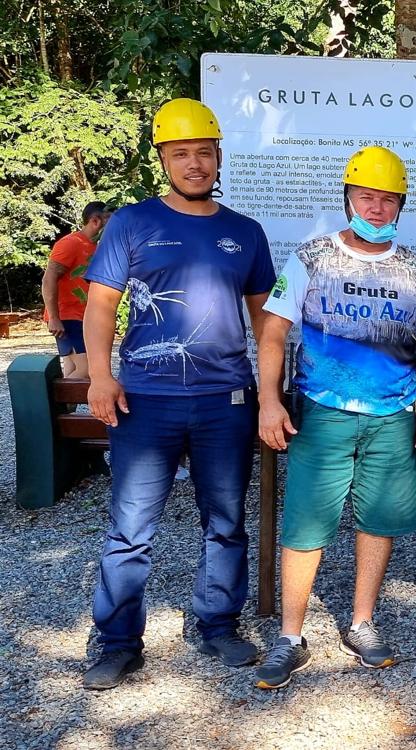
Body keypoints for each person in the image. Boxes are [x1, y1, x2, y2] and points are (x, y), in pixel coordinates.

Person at [82, 98, 276, 690]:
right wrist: (99, 375)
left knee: (225, 521)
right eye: (181, 153)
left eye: (204, 152)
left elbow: (267, 319)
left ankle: (217, 624)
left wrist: (270, 392)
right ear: (163, 159)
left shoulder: (244, 232)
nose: (195, 163)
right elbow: (100, 305)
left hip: (226, 400)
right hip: (145, 400)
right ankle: (117, 642)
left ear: (219, 157)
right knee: (131, 528)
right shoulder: (131, 223)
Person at [254, 146, 416, 689]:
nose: (378, 208)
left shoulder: (413, 269)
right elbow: (272, 331)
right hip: (323, 413)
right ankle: (291, 637)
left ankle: (362, 622)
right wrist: (269, 400)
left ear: (400, 206)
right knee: (305, 523)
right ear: (347, 198)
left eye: (389, 200)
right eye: (368, 197)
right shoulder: (312, 258)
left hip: (391, 416)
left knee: (379, 520)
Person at [41, 201, 112, 378]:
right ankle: (49, 406)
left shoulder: (97, 247)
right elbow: (48, 279)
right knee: (86, 369)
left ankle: (63, 407)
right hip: (66, 316)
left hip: (83, 316)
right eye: (109, 220)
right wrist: (54, 318)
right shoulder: (70, 243)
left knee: (72, 370)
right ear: (95, 221)